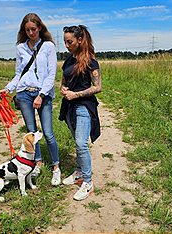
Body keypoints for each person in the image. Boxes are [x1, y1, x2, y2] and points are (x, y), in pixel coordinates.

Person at [0, 13, 61, 186]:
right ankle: (38, 163)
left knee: (47, 133)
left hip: (43, 93)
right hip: (25, 93)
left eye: (34, 29)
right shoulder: (20, 48)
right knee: (32, 132)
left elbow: (51, 75)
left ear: (40, 28)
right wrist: (8, 88)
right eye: (27, 30)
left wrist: (41, 95)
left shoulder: (48, 46)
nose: (31, 32)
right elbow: (19, 74)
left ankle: (56, 167)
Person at [59, 25, 102, 201]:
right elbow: (63, 81)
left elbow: (98, 87)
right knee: (77, 142)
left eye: (69, 42)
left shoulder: (91, 61)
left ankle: (87, 181)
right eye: (64, 42)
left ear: (79, 40)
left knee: (80, 143)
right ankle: (78, 171)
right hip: (69, 106)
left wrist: (75, 94)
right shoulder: (68, 61)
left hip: (84, 105)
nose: (66, 45)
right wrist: (62, 88)